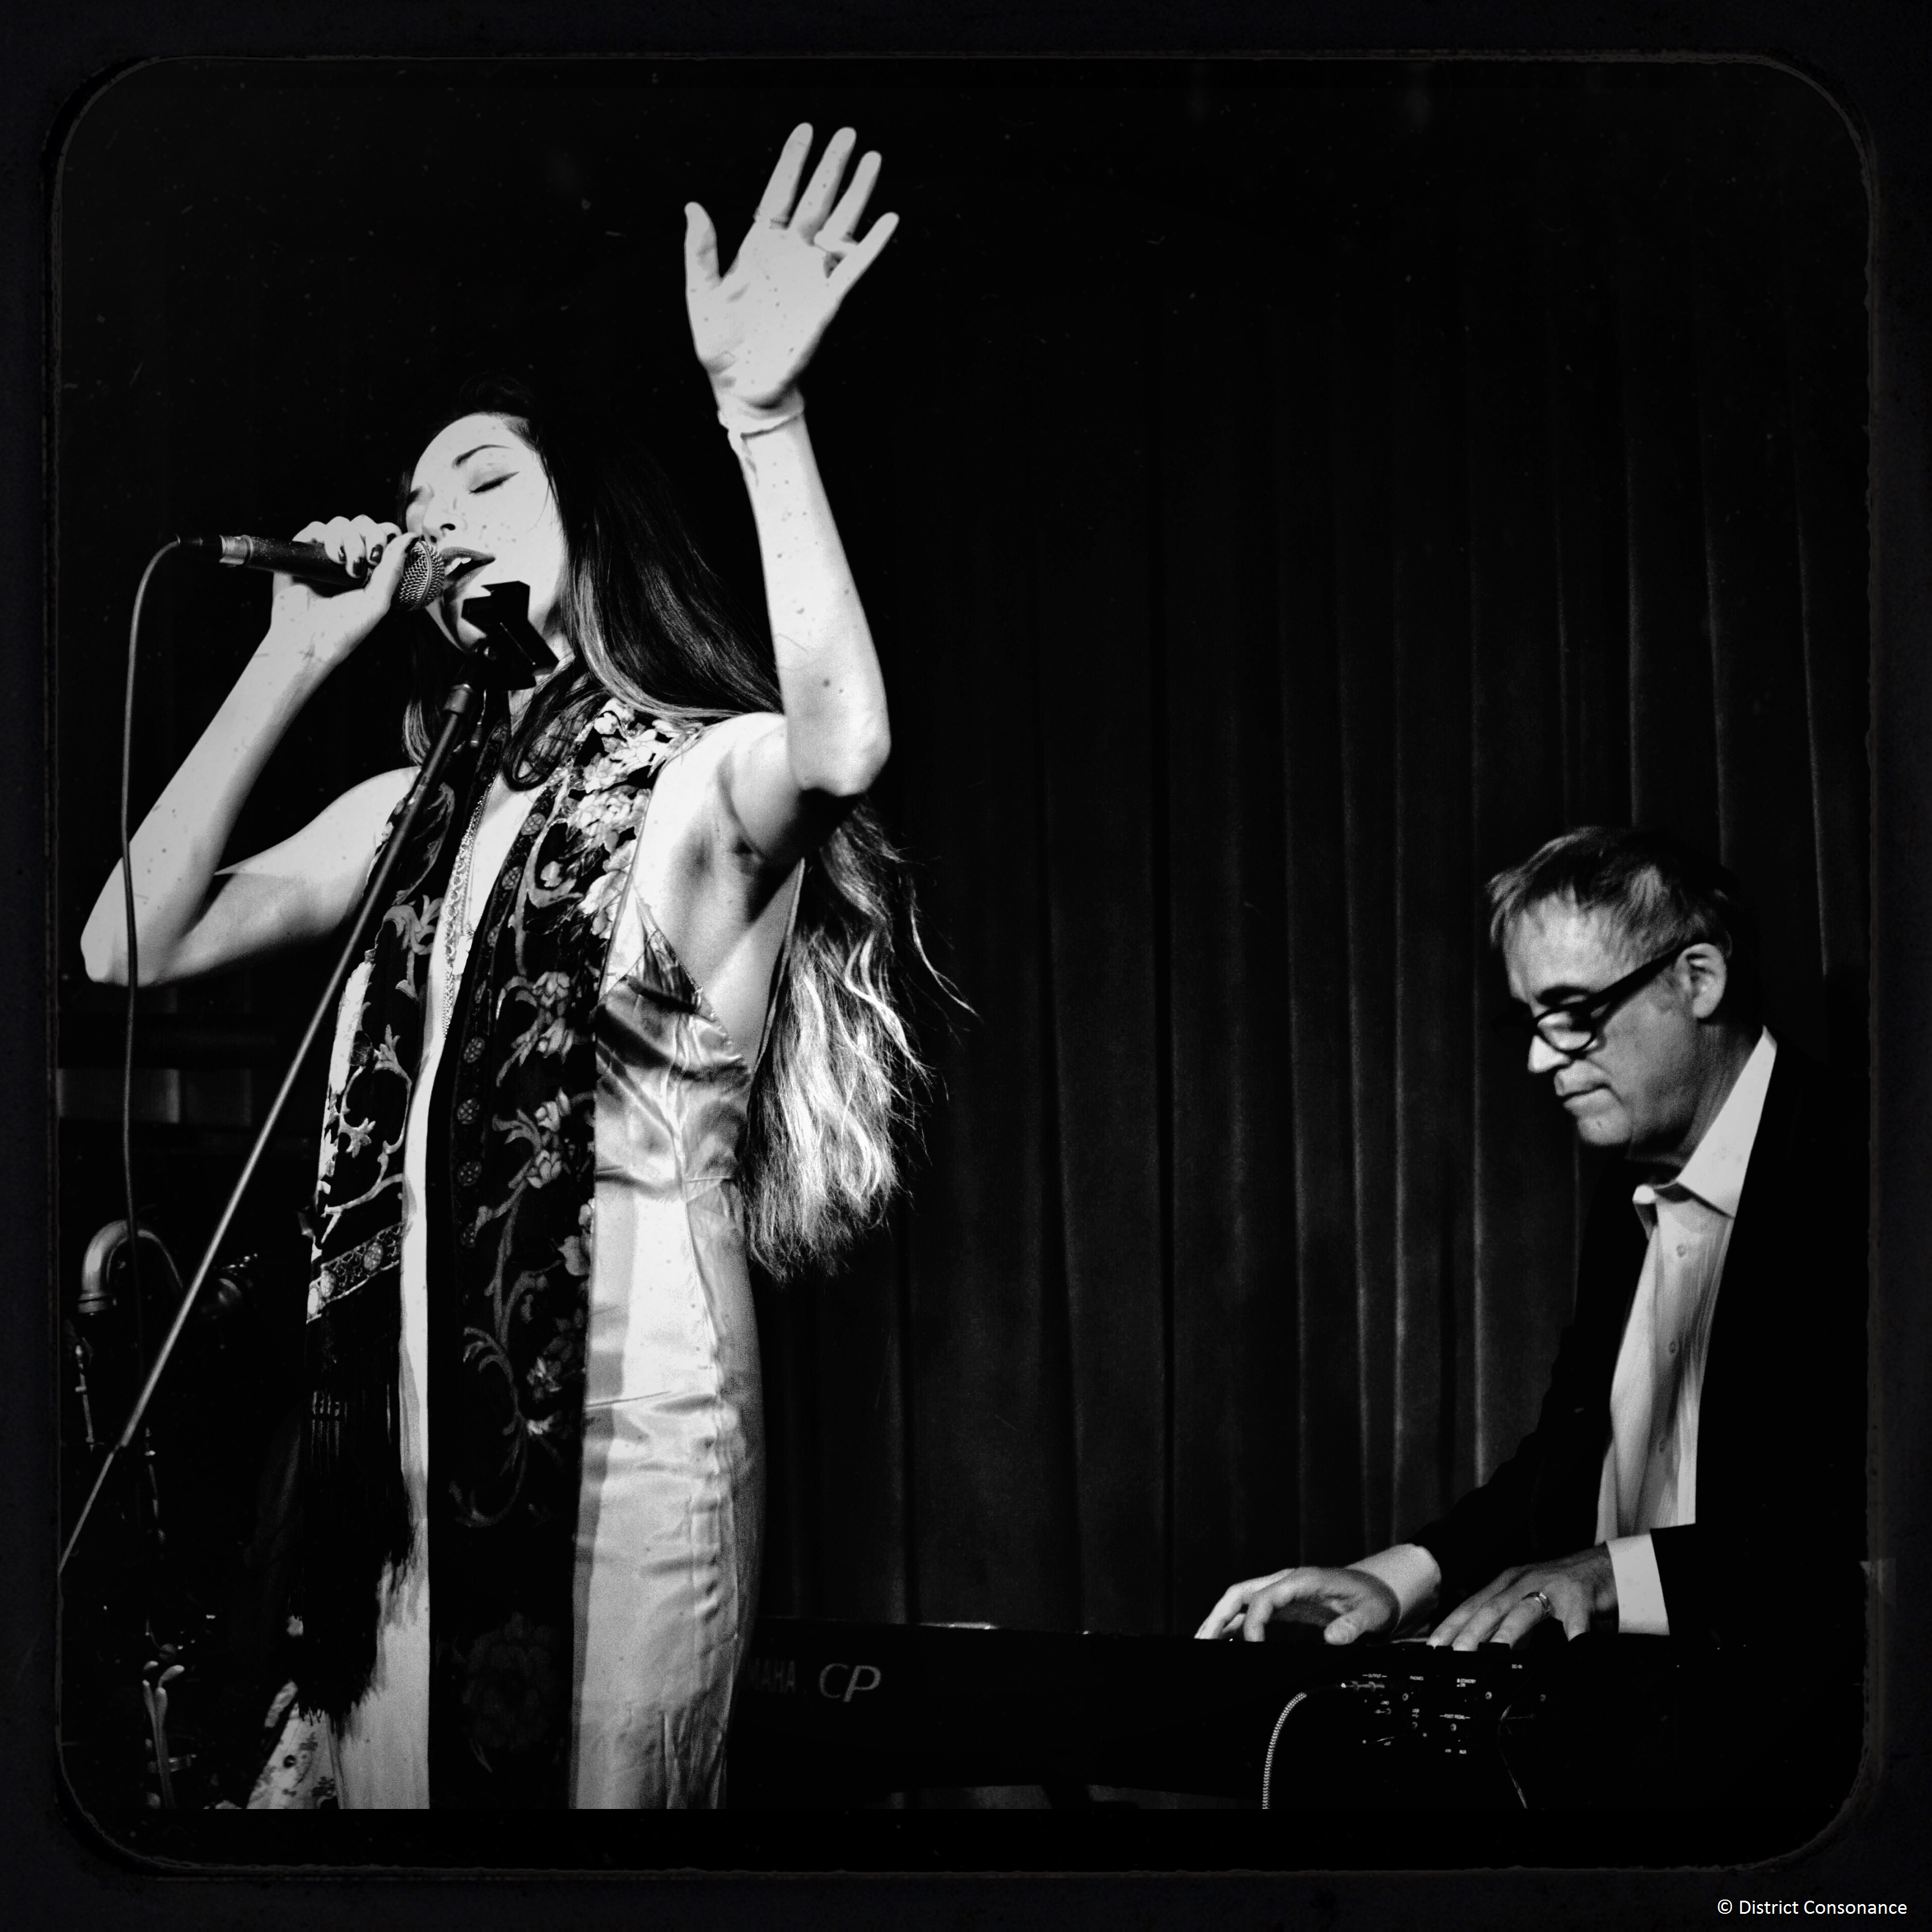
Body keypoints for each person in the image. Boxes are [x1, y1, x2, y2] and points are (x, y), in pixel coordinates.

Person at [83, 125, 924, 1810]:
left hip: (630, 1430)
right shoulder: (408, 813)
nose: (432, 522)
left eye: (479, 479)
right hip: (393, 1458)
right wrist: (293, 655)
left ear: (581, 517)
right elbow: (127, 939)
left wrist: (763, 419)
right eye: (415, 508)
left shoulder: (688, 785)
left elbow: (841, 744)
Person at [1196, 829, 1866, 1796]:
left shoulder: (1867, 1170)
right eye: (1531, 1019)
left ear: (1700, 979)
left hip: (1804, 1771)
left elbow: (1867, 1527)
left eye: (1574, 1014)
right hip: (1633, 1744)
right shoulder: (1631, 1179)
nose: (1542, 1059)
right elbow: (1567, 1455)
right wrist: (1401, 1576)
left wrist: (1609, 1575)